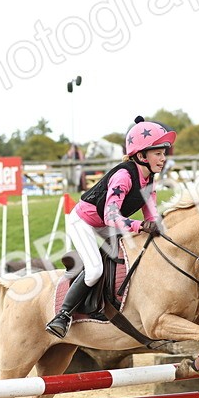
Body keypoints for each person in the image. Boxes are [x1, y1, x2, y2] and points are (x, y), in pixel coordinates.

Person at [44, 115, 175, 338]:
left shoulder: (149, 181)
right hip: (84, 221)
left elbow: (152, 218)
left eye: (164, 153)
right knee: (95, 269)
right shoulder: (124, 176)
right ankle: (63, 315)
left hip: (107, 222)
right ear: (141, 155)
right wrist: (139, 226)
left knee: (134, 254)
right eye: (158, 153)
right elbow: (111, 216)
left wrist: (164, 232)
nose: (163, 159)